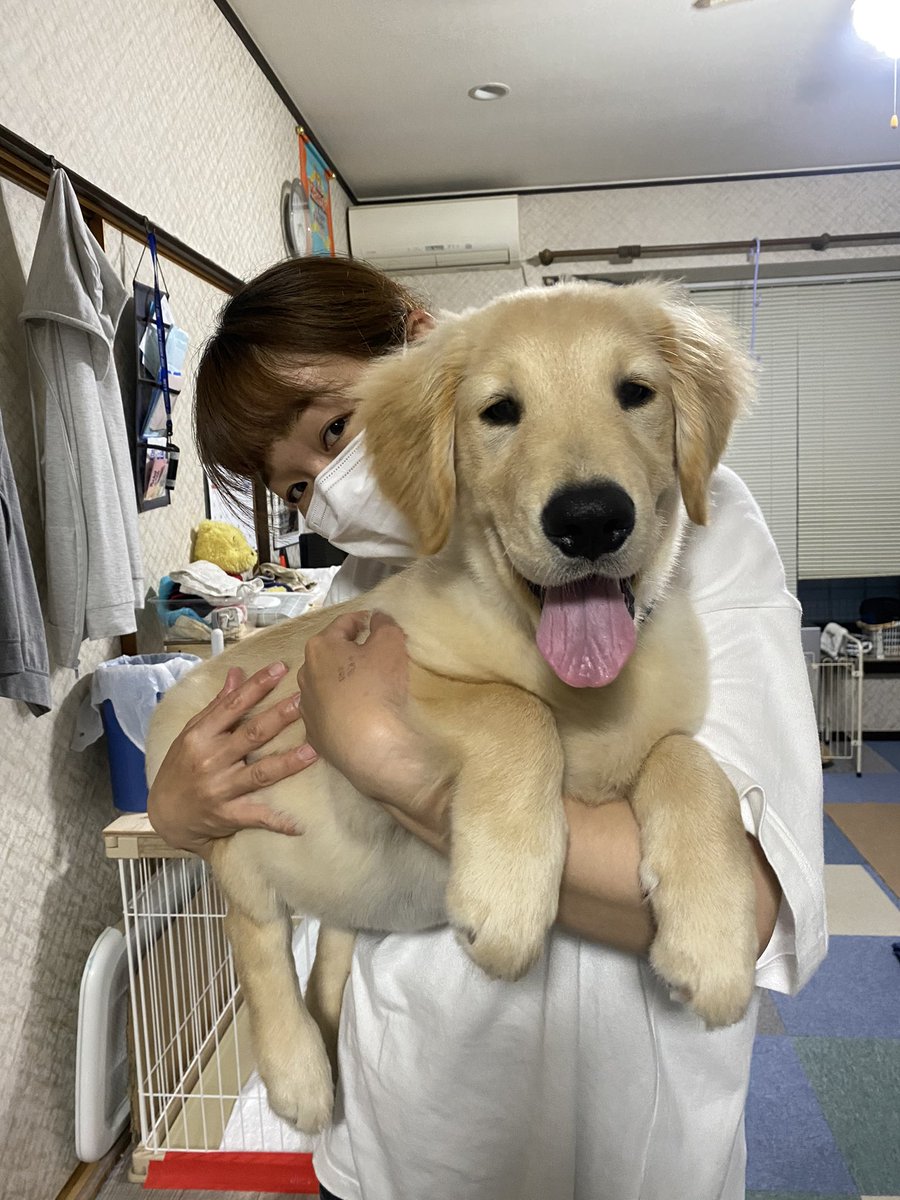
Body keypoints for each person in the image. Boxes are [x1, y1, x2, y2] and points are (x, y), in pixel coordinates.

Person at [148, 255, 827, 1200]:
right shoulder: (359, 593)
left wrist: (404, 771)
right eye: (299, 488)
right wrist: (180, 810)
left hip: (624, 1133)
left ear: (420, 346)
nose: (339, 487)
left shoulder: (705, 536)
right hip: (403, 1121)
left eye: (337, 429)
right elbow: (308, 841)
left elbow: (742, 906)